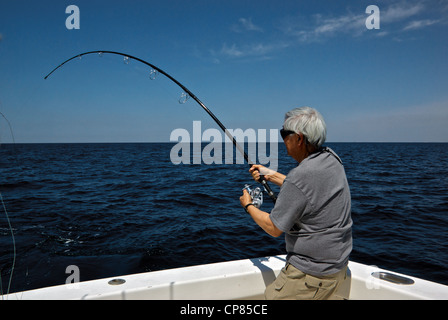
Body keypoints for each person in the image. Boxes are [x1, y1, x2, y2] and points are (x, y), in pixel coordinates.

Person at [240, 106, 352, 300]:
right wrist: (271, 174)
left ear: (299, 139)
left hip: (310, 276)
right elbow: (309, 191)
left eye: (284, 134)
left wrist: (248, 205)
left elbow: (274, 227)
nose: (282, 139)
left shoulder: (300, 176)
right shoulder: (332, 158)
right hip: (338, 268)